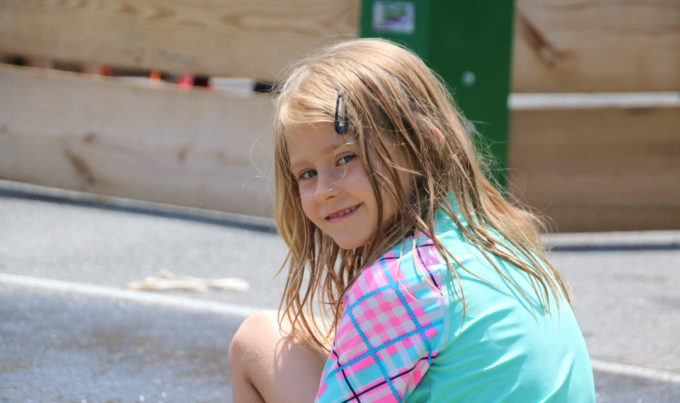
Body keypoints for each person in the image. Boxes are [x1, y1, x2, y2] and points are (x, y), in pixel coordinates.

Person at [228, 38, 595, 402]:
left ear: (425, 145)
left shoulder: (400, 282)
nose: (324, 189)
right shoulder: (500, 237)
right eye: (306, 173)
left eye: (345, 158)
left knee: (257, 339)